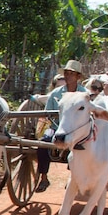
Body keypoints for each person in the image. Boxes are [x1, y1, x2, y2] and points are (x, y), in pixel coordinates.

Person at [36, 59, 83, 192]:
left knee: (81, 146)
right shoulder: (55, 94)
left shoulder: (83, 94)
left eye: (71, 74)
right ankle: (44, 178)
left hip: (77, 130)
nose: (68, 76)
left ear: (78, 77)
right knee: (42, 143)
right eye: (66, 73)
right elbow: (48, 114)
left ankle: (73, 178)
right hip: (56, 128)